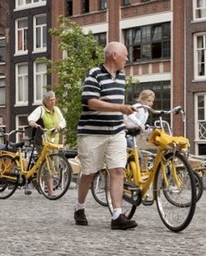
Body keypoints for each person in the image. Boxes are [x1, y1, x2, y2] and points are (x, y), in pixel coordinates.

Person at [73, 41, 138, 230]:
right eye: (125, 55)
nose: (127, 58)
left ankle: (117, 215)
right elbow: (91, 102)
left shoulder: (122, 76)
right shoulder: (94, 75)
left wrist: (126, 120)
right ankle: (80, 207)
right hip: (92, 133)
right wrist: (120, 108)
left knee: (118, 171)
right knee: (89, 172)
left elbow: (117, 104)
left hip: (116, 131)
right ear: (113, 56)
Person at [27, 91, 66, 196]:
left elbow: (63, 121)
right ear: (45, 101)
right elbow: (30, 119)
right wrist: (33, 124)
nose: (53, 102)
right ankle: (50, 191)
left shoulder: (57, 110)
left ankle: (36, 179)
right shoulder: (40, 110)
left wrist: (59, 126)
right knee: (47, 163)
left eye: (54, 99)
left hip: (54, 142)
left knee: (54, 164)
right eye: (50, 100)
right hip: (42, 142)